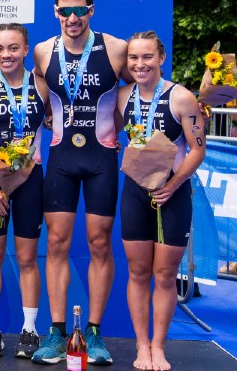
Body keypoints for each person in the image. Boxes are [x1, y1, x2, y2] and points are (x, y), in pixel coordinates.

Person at [31, 0, 129, 365]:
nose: (72, 19)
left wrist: (120, 127)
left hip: (101, 157)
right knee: (56, 243)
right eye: (64, 11)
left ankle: (94, 332)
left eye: (79, 10)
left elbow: (132, 89)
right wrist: (50, 114)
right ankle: (56, 332)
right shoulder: (43, 51)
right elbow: (40, 84)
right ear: (55, 12)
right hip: (61, 159)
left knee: (100, 243)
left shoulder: (116, 48)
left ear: (91, 10)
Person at [116, 31, 205, 371]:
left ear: (161, 58)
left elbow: (198, 149)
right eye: (134, 58)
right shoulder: (123, 97)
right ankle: (141, 347)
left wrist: (176, 182)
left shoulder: (182, 98)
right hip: (135, 193)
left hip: (173, 193)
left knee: (165, 275)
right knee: (138, 272)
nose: (140, 64)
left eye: (147, 57)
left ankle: (158, 347)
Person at [0, 23, 48, 358]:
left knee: (28, 258)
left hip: (31, 182)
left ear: (26, 50)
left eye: (13, 48)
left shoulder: (42, 86)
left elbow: (62, 120)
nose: (6, 55)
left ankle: (29, 330)